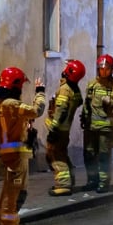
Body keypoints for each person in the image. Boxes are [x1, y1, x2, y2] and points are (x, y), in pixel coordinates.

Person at [0, 67, 46, 225]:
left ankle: (3, 220)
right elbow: (37, 111)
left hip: (9, 150)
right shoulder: (11, 104)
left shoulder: (0, 102)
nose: (21, 89)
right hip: (16, 152)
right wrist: (40, 92)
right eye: (20, 85)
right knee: (16, 189)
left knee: (9, 188)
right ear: (14, 85)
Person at [80, 54, 113, 192]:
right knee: (89, 154)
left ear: (112, 69)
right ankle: (92, 180)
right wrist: (84, 117)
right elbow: (87, 102)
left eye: (107, 69)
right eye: (101, 69)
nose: (104, 71)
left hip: (106, 128)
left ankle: (103, 182)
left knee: (103, 156)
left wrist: (112, 102)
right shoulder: (92, 84)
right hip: (90, 127)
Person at [45, 59, 86, 196]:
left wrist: (53, 129)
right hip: (65, 129)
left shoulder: (65, 89)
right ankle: (69, 178)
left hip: (58, 129)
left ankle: (63, 185)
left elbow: (61, 110)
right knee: (62, 153)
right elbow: (79, 101)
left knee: (55, 156)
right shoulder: (75, 89)